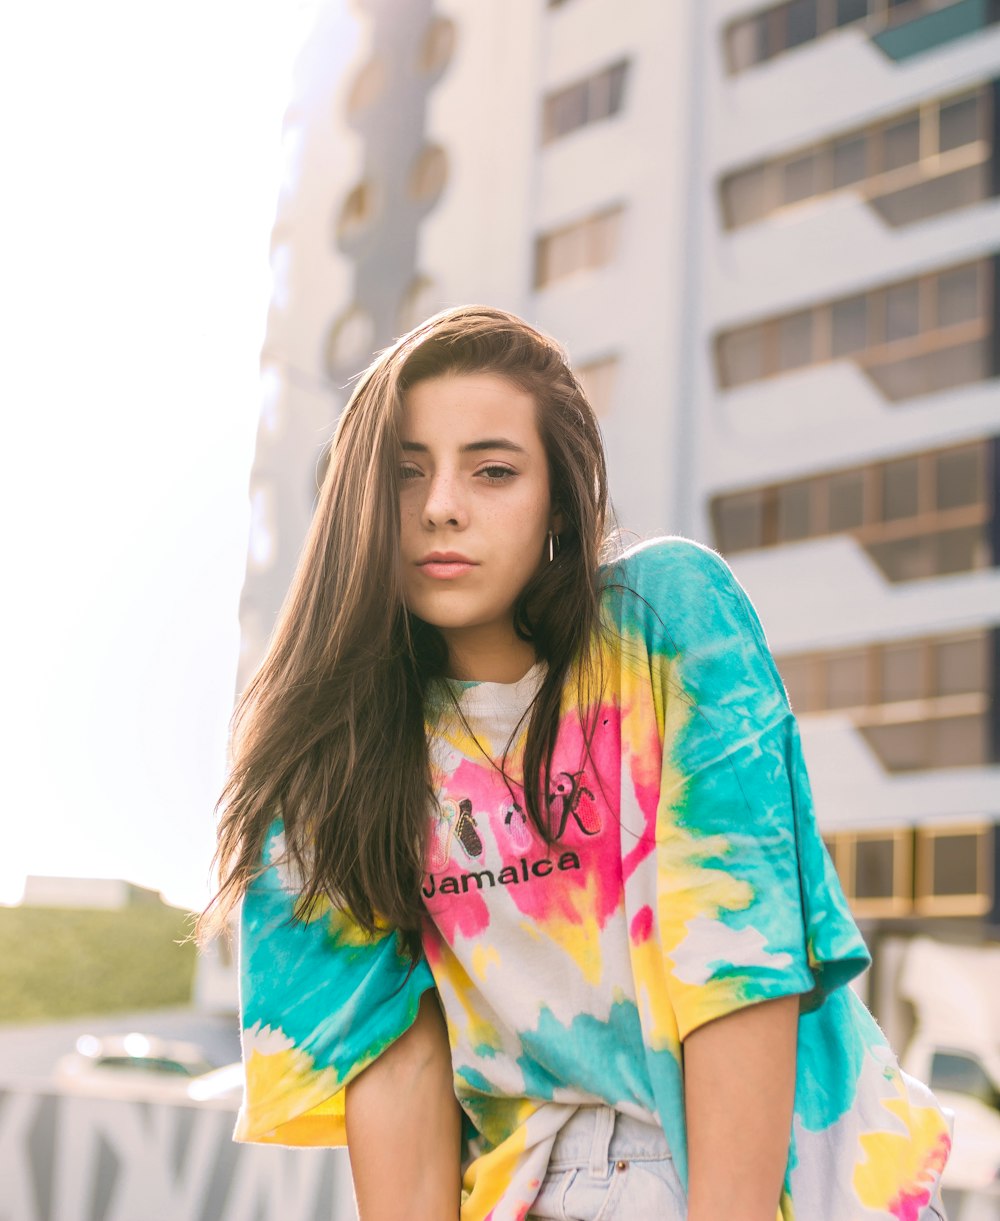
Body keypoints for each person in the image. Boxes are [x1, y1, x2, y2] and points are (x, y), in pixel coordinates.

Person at [199, 305, 953, 1220]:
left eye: (493, 470)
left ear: (557, 500)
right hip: (541, 1186)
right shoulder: (330, 763)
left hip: (786, 1175)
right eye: (405, 473)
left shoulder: (666, 620)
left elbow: (737, 958)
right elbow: (394, 1067)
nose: (441, 504)